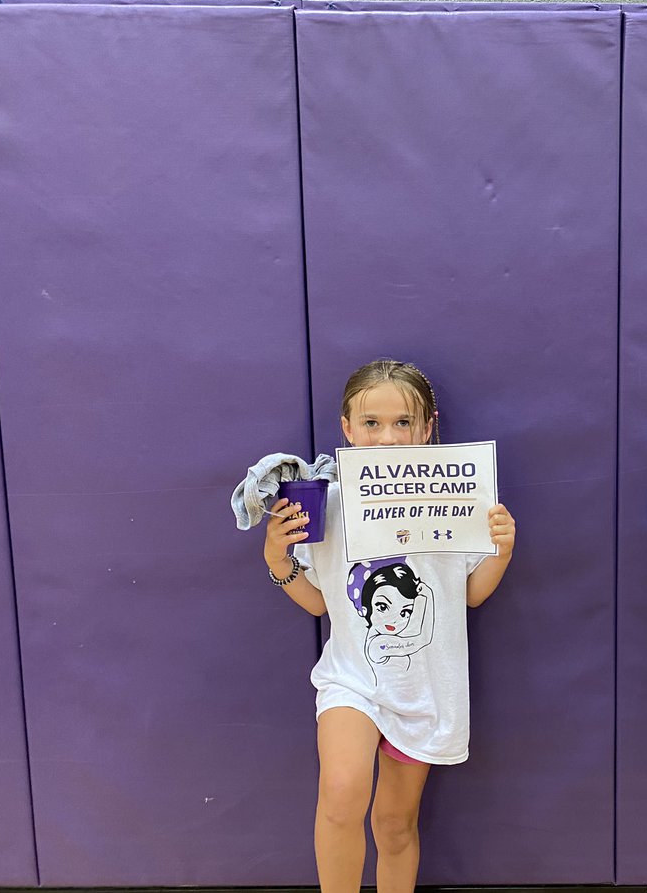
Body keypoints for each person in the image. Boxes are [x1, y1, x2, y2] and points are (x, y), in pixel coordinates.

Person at [263, 359, 515, 893]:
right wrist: (276, 557)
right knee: (340, 795)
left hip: (426, 689)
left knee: (395, 824)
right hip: (351, 679)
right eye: (371, 423)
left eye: (403, 423)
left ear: (428, 429)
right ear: (347, 430)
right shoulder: (323, 506)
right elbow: (316, 605)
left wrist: (502, 549)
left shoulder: (458, 502)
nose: (387, 437)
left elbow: (470, 595)